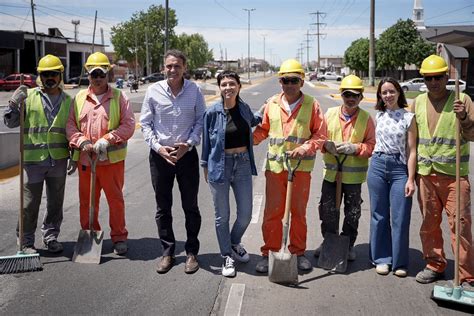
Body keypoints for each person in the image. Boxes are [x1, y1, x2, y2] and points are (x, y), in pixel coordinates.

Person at [253, 59, 327, 273]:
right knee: (272, 213)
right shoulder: (272, 103)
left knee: (298, 213)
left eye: (294, 80)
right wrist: (243, 141)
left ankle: (297, 252)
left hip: (300, 170)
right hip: (275, 169)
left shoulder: (312, 104)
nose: (289, 84)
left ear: (301, 81)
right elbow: (262, 131)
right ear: (280, 82)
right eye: (285, 80)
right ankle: (270, 252)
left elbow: (320, 135)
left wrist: (305, 148)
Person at [140, 49, 205, 274]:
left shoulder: (195, 90)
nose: (172, 70)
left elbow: (200, 121)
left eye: (177, 66)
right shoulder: (153, 91)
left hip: (186, 155)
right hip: (160, 157)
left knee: (191, 207)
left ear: (184, 68)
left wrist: (189, 143)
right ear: (163, 68)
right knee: (163, 208)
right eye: (169, 66)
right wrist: (159, 148)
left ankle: (191, 253)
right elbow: (145, 124)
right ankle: (167, 252)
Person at [411, 55, 474, 287]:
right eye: (429, 78)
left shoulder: (462, 99)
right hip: (426, 175)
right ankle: (434, 264)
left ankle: (466, 275)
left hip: (454, 176)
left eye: (438, 77)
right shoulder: (417, 102)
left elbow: (472, 134)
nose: (434, 82)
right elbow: (412, 141)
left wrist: (464, 117)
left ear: (447, 77)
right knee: (429, 223)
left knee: (461, 224)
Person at [3, 54, 75, 253]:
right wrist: (13, 104)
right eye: (45, 74)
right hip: (33, 161)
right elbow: (10, 122)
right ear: (39, 76)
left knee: (55, 203)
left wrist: (74, 157)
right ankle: (25, 242)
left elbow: (73, 131)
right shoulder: (29, 97)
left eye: (53, 74)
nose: (49, 78)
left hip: (58, 161)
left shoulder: (69, 101)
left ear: (60, 75)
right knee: (29, 204)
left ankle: (51, 236)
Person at [66, 52, 135, 256]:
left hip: (111, 161)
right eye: (93, 74)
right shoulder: (79, 98)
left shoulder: (119, 97)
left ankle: (119, 236)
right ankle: (90, 234)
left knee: (115, 199)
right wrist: (81, 140)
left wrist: (108, 139)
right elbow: (70, 125)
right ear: (88, 74)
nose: (97, 78)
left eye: (101, 74)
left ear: (108, 75)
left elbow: (129, 125)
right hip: (87, 161)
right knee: (87, 201)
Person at [201, 71, 261, 277]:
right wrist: (205, 166)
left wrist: (269, 106)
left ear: (238, 87)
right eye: (224, 84)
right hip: (219, 165)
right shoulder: (211, 113)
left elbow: (254, 120)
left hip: (242, 163)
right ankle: (226, 255)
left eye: (232, 84)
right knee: (222, 216)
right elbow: (207, 144)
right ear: (219, 88)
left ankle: (234, 242)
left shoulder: (244, 108)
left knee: (245, 214)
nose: (228, 87)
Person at [314, 75, 376, 262]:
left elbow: (372, 146)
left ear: (361, 97)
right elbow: (319, 138)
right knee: (328, 211)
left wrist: (356, 148)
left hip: (353, 179)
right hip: (332, 175)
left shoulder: (366, 119)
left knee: (352, 213)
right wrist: (326, 146)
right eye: (347, 94)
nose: (351, 98)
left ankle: (347, 244)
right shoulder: (330, 114)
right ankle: (329, 241)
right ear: (341, 94)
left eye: (355, 95)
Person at [367, 78, 417, 277]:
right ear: (380, 95)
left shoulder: (408, 117)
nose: (388, 95)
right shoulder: (379, 115)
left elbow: (412, 150)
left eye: (391, 91)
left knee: (400, 217)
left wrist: (410, 179)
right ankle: (381, 259)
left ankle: (399, 262)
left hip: (399, 169)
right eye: (384, 92)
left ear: (398, 92)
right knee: (379, 215)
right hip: (378, 165)